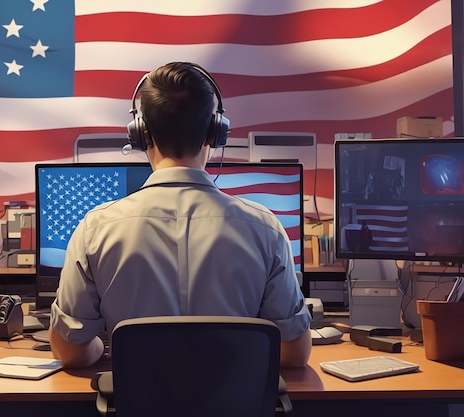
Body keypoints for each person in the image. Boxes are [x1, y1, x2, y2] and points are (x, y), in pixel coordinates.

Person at [49, 61, 312, 368]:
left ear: (141, 134)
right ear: (215, 133)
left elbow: (70, 352)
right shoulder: (265, 228)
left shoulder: (95, 228)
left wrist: (106, 350)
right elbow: (294, 354)